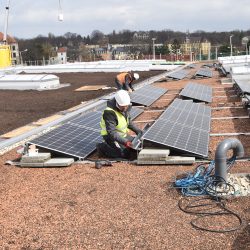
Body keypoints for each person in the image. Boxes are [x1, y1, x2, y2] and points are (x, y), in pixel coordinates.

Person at [96, 90, 142, 159]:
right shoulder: (109, 112)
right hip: (110, 137)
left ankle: (123, 144)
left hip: (122, 135)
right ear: (117, 103)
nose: (125, 108)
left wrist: (138, 131)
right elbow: (112, 132)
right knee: (123, 154)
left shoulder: (125, 107)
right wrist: (125, 142)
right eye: (122, 107)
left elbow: (128, 122)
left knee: (137, 145)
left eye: (126, 106)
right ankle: (102, 148)